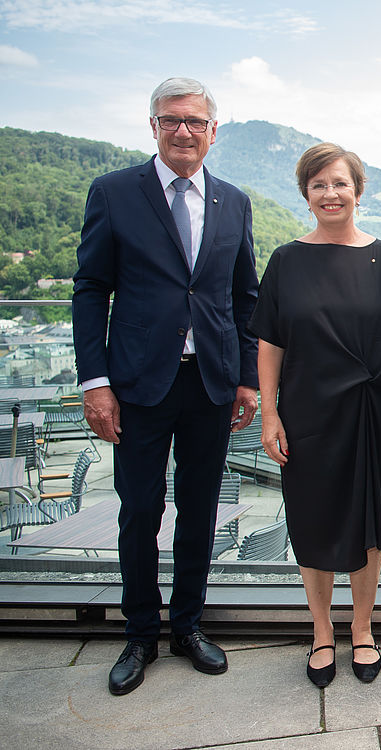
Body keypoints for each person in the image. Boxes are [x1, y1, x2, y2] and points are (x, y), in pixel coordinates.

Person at [72, 77, 259, 696]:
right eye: (171, 120)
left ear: (213, 131)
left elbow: (243, 298)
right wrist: (95, 381)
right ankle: (139, 635)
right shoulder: (115, 193)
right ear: (153, 126)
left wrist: (246, 378)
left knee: (201, 511)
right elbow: (91, 288)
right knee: (139, 511)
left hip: (209, 383)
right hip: (137, 385)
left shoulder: (233, 201)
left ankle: (188, 626)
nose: (184, 131)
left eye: (195, 122)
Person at [251, 143, 381, 688]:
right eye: (319, 185)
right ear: (306, 195)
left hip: (369, 410)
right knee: (311, 521)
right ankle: (322, 631)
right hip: (306, 412)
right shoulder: (285, 259)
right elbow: (269, 342)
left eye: (340, 183)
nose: (331, 194)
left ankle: (362, 629)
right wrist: (269, 414)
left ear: (358, 191)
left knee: (369, 524)